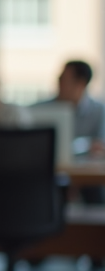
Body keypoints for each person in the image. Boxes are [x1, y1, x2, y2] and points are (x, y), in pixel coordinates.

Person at [53, 60, 105, 204]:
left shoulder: (98, 111)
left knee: (95, 191)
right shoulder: (46, 109)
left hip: (85, 175)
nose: (58, 84)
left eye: (62, 80)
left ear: (80, 84)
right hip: (55, 173)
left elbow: (99, 148)